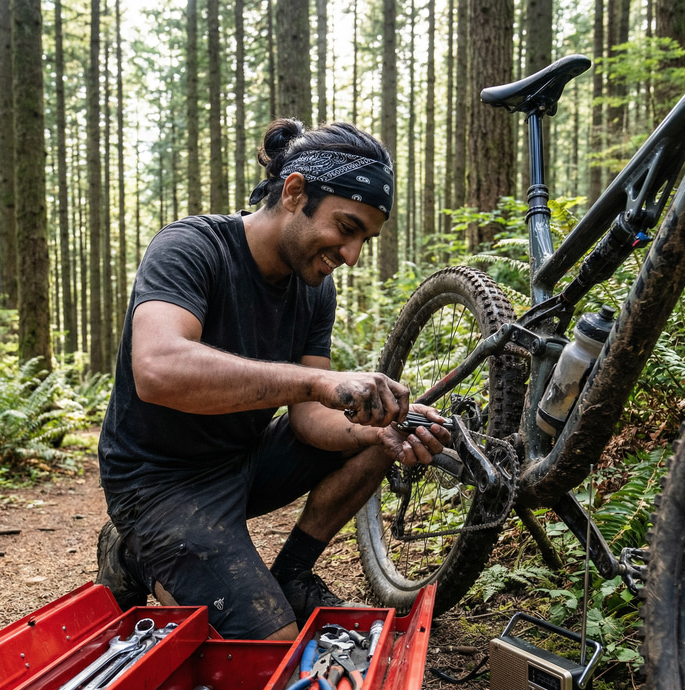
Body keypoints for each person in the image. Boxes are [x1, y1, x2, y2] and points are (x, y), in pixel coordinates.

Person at [96, 118, 450, 641]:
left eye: (364, 241)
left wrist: (379, 430)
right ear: (294, 192)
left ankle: (292, 573)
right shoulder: (192, 247)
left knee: (382, 436)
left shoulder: (314, 288)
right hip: (158, 486)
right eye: (347, 228)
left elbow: (310, 421)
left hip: (241, 465)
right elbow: (157, 369)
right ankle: (134, 548)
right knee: (275, 650)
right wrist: (313, 384)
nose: (350, 256)